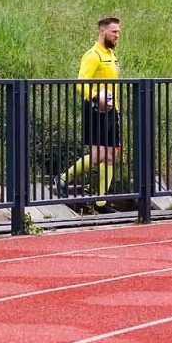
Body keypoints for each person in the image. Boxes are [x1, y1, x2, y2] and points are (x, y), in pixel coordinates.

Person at [56, 17, 124, 210]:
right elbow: (81, 82)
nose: (117, 35)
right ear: (102, 31)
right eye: (114, 32)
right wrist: (96, 97)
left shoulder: (111, 54)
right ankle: (62, 178)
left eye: (118, 31)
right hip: (96, 110)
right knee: (97, 156)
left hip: (113, 111)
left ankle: (101, 201)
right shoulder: (93, 55)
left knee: (111, 156)